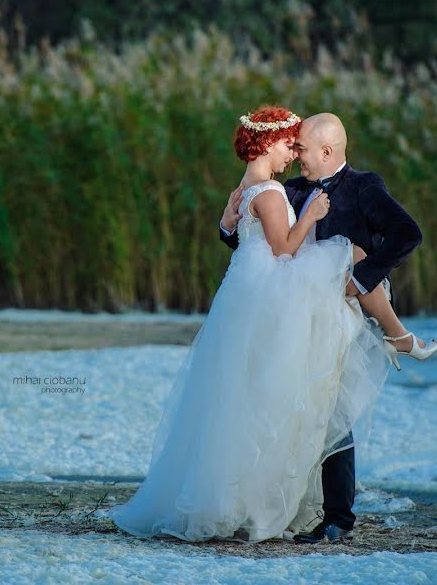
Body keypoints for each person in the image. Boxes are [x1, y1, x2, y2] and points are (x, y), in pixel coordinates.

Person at [109, 106, 389, 544]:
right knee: (267, 398)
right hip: (268, 296)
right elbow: (282, 251)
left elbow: (243, 234)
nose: (291, 155)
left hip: (244, 293)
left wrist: (226, 223)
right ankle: (257, 502)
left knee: (236, 396)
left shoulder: (246, 186)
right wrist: (313, 216)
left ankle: (236, 495)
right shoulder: (274, 191)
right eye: (286, 146)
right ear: (267, 143)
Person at [219, 110, 437, 544]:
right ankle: (282, 504)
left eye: (302, 149)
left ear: (326, 150)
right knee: (293, 407)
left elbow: (406, 233)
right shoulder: (293, 188)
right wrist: (228, 223)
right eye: (293, 147)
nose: (296, 154)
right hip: (296, 314)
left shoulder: (363, 186)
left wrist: (362, 278)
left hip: (343, 311)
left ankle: (338, 517)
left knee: (333, 409)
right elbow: (257, 236)